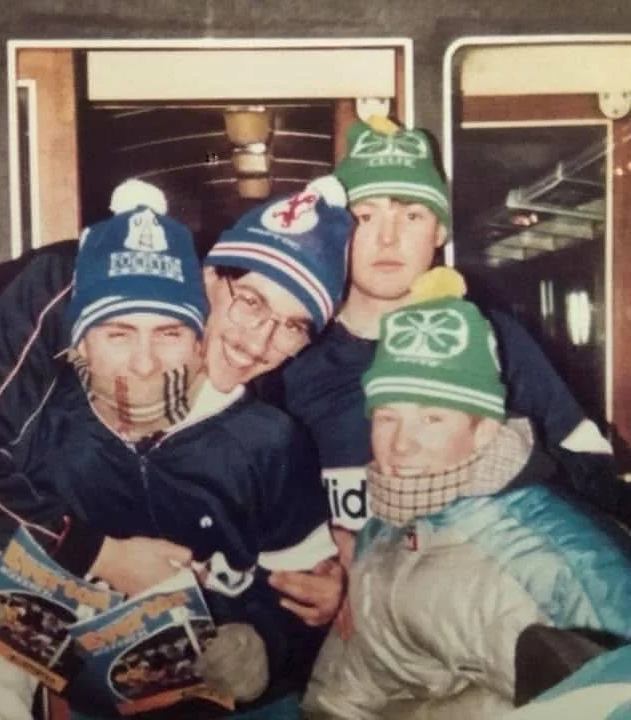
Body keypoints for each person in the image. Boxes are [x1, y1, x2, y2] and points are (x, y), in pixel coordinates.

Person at [0, 178, 354, 719]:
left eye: (293, 326)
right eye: (250, 301)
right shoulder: (52, 415)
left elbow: (302, 594)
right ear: (207, 281)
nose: (260, 339)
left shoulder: (269, 436)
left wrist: (266, 643)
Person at [265, 119, 624, 625]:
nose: (388, 238)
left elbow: (592, 477)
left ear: (438, 231)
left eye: (412, 214)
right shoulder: (288, 355)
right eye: (365, 216)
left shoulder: (491, 340)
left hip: (473, 619)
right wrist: (317, 575)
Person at [302, 279, 631, 720]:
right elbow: (343, 692)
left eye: (432, 418)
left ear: (485, 431)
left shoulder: (558, 568)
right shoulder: (388, 524)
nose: (400, 446)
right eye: (387, 417)